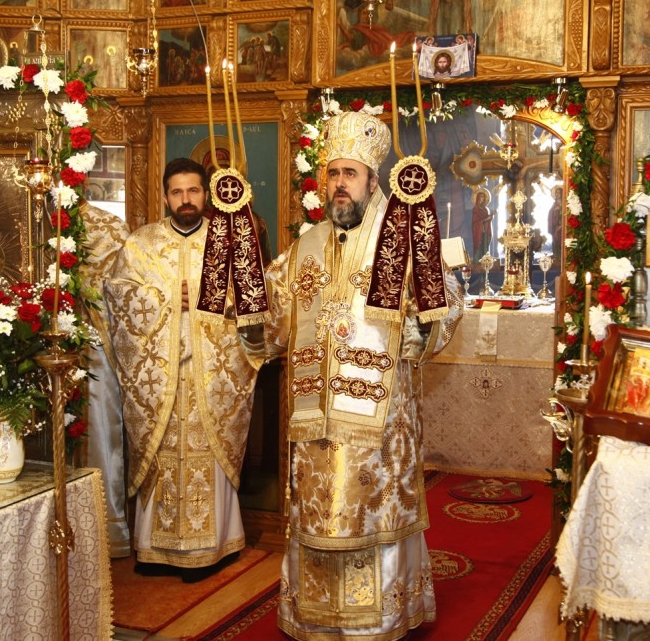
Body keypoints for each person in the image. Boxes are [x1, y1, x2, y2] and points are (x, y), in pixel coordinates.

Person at [240, 111, 463, 638]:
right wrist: (249, 313)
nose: (340, 185)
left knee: (370, 513)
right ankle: (318, 614)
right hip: (315, 418)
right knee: (319, 513)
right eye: (333, 174)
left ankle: (379, 615)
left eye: (350, 174)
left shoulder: (402, 237)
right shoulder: (306, 246)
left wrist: (418, 334)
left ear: (372, 180)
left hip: (379, 422)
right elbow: (273, 315)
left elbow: (448, 300)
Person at [104, 158, 259, 582]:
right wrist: (170, 298)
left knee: (207, 452)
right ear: (166, 195)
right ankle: (154, 550)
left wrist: (219, 302)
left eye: (193, 191)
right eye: (177, 192)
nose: (186, 200)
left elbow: (253, 303)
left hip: (212, 374)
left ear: (205, 194)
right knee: (162, 452)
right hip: (161, 379)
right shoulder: (141, 244)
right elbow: (118, 299)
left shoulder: (228, 243)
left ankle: (215, 546)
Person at [78, 199, 132, 558]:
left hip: (94, 347)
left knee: (99, 425)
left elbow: (126, 297)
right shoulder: (23, 215)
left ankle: (101, 526)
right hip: (30, 341)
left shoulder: (107, 229)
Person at [471, 187, 493, 259]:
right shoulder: (476, 209)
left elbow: (487, 219)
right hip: (478, 232)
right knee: (479, 247)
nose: (483, 199)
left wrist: (490, 217)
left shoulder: (486, 209)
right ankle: (477, 261)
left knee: (485, 246)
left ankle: (486, 260)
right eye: (481, 197)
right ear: (477, 198)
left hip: (485, 231)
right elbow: (475, 223)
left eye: (484, 197)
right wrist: (486, 219)